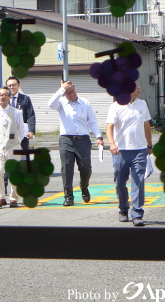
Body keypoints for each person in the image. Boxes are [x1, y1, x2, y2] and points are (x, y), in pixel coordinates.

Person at [48, 80, 104, 206]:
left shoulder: (85, 102)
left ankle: (84, 187)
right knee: (66, 169)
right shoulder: (61, 103)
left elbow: (93, 121)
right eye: (67, 92)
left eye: (72, 91)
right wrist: (62, 89)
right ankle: (68, 196)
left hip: (83, 140)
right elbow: (50, 104)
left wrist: (98, 136)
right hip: (66, 140)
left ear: (75, 89)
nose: (71, 94)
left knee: (86, 168)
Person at [106, 83, 153, 227]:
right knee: (120, 181)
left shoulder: (142, 104)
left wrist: (149, 144)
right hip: (120, 150)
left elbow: (146, 125)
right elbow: (109, 127)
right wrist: (112, 143)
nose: (139, 88)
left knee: (138, 181)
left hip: (139, 149)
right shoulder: (116, 106)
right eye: (136, 86)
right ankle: (123, 209)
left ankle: (137, 213)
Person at [0, 76, 37, 193]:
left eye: (14, 85)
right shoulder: (2, 100)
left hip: (22, 136)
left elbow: (31, 115)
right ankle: (4, 183)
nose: (11, 87)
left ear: (19, 86)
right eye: (9, 85)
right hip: (6, 138)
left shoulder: (25, 99)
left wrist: (31, 131)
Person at [0, 86, 25, 208]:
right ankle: (1, 198)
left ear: (9, 97)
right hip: (0, 146)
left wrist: (17, 142)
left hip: (13, 146)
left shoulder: (16, 112)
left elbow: (21, 130)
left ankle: (13, 198)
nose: (1, 97)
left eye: (4, 94)